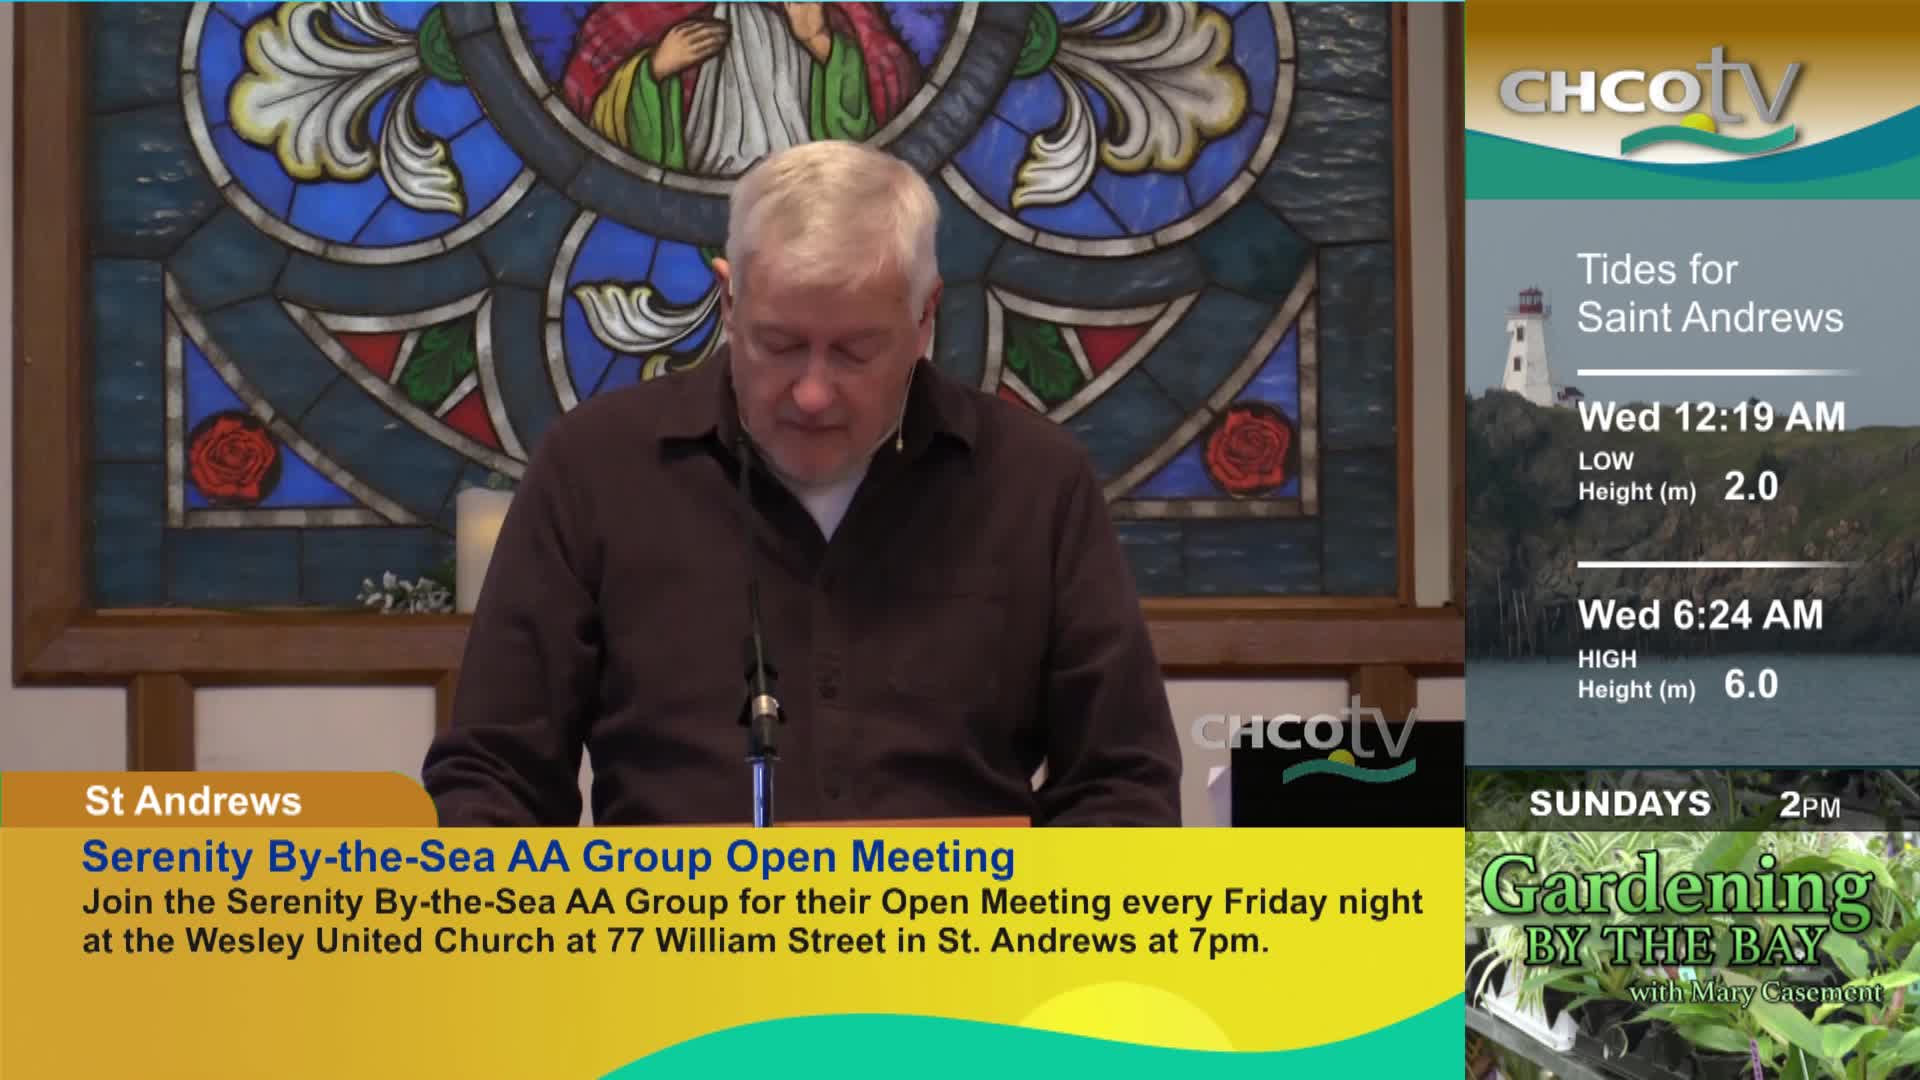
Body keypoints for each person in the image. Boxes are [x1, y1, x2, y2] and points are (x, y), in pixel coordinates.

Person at [422, 140, 1183, 827]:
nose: (812, 394)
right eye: (779, 345)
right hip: (667, 959)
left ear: (926, 319)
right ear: (728, 301)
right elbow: (493, 775)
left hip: (966, 960)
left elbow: (1123, 783)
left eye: (855, 352)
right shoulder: (595, 467)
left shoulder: (1033, 480)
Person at [559, 2, 921, 175]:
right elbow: (595, 119)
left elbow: (887, 117)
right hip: (700, 204)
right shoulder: (644, 10)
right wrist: (654, 69)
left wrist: (820, 41)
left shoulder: (828, 9)